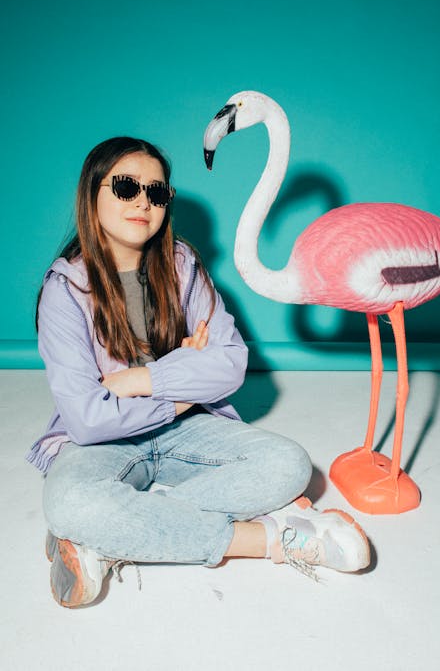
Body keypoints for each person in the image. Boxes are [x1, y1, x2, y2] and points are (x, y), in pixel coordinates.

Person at [27, 136, 371, 608]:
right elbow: (88, 419)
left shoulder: (183, 267)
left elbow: (231, 363)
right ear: (92, 193)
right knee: (71, 503)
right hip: (99, 447)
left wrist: (143, 380)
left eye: (157, 192)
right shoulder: (64, 291)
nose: (143, 201)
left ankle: (107, 539)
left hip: (186, 434)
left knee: (289, 465)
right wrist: (183, 386)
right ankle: (274, 537)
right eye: (126, 187)